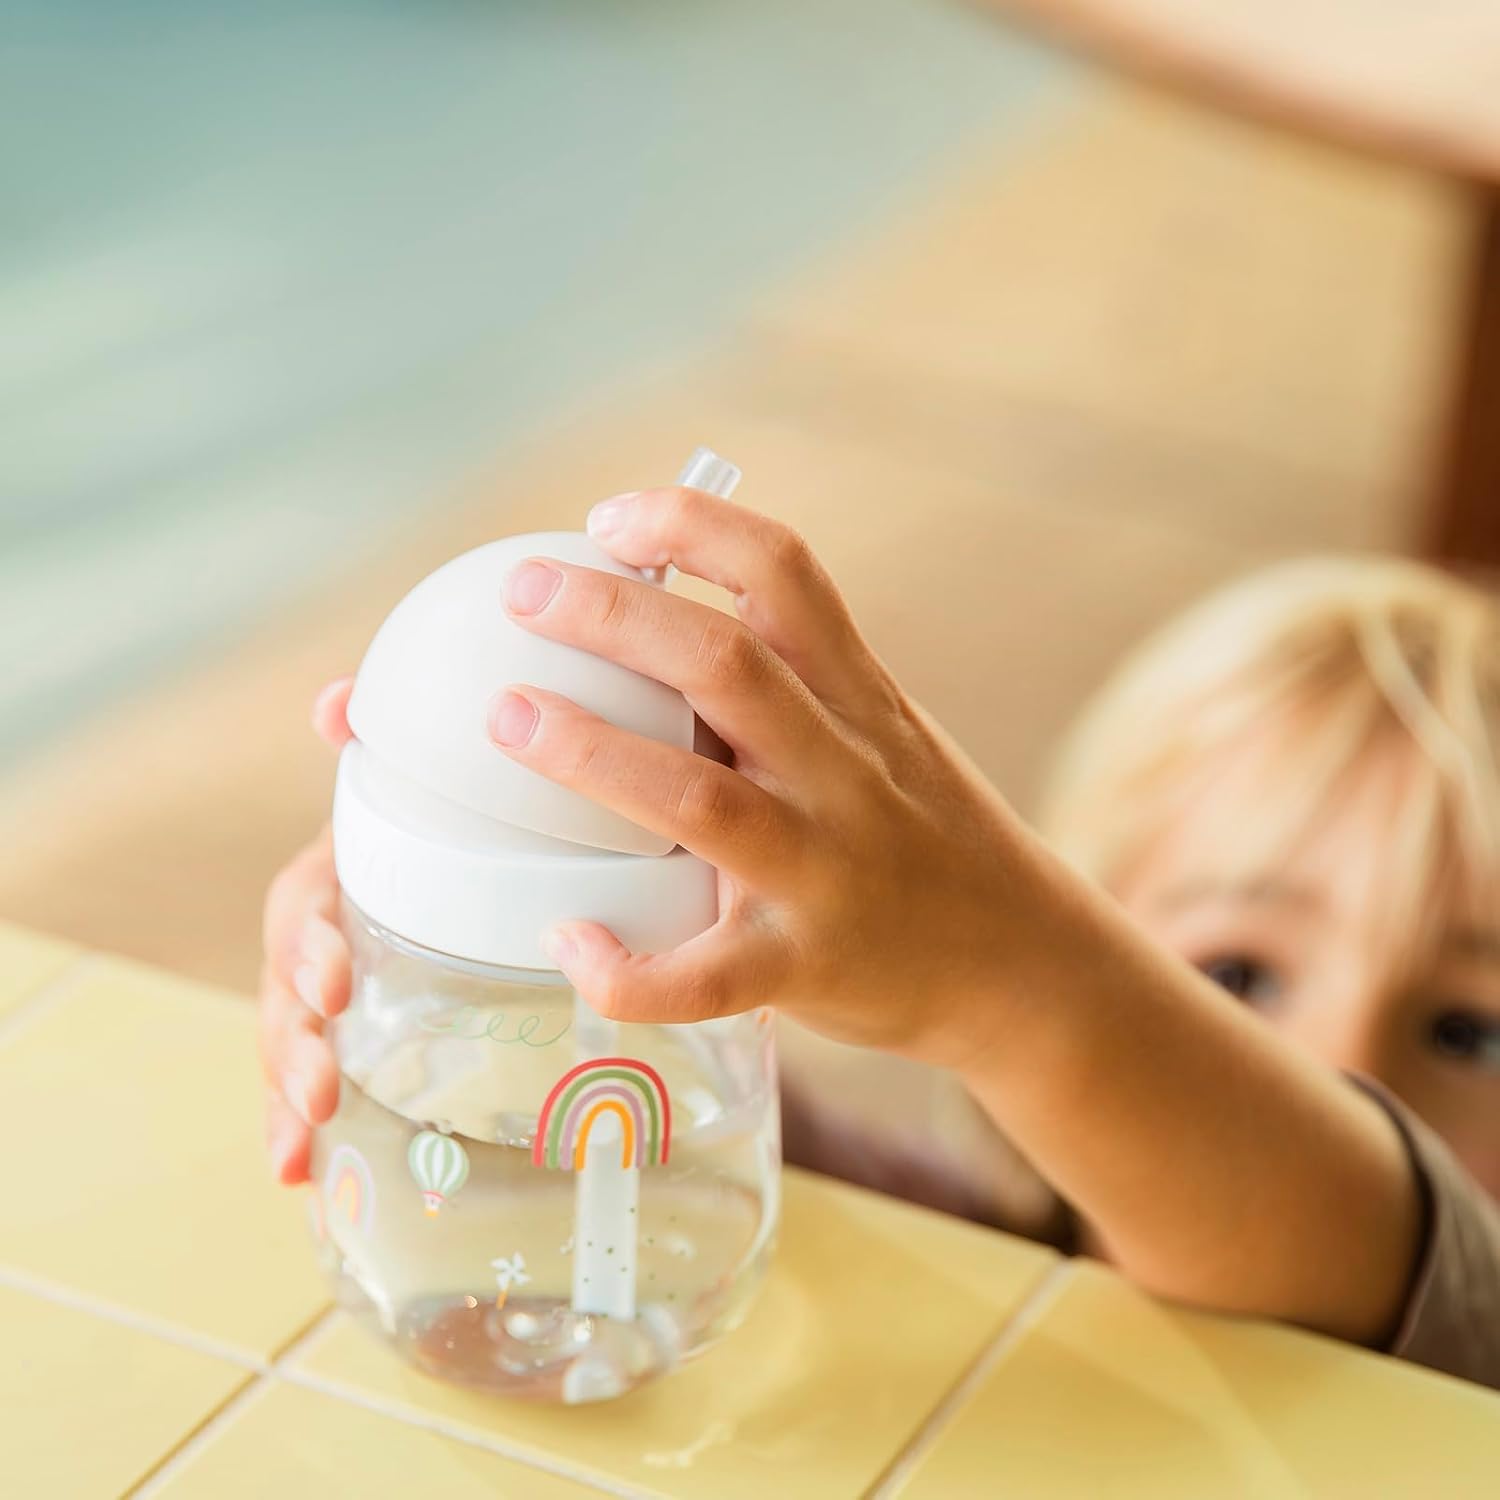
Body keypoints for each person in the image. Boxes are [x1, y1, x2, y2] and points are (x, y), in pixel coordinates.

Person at [259, 487, 1500, 1387]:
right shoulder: (950, 1240)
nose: (1346, 1069)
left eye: (1469, 1029)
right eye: (1237, 975)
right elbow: (679, 1160)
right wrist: (476, 948)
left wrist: (1011, 982)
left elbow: (1391, 1270)